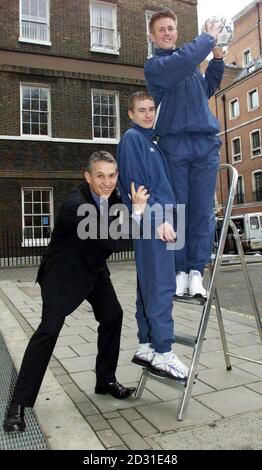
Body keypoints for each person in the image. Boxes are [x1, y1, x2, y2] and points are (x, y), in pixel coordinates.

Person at [3, 150, 149, 433]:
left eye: (112, 175)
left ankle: (104, 380)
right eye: (100, 176)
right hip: (64, 275)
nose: (107, 182)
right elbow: (114, 242)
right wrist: (138, 213)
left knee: (112, 316)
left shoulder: (115, 196)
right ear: (87, 176)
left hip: (94, 271)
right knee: (48, 332)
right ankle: (18, 405)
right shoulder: (75, 205)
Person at [144, 9, 225, 298]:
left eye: (171, 29)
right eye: (162, 29)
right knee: (176, 211)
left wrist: (216, 58)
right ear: (153, 36)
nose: (167, 33)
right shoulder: (156, 66)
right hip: (174, 144)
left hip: (204, 144)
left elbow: (206, 89)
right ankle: (178, 271)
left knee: (202, 212)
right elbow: (185, 60)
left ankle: (195, 273)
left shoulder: (189, 65)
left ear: (177, 32)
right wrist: (207, 37)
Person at [117, 91, 189, 382]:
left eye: (151, 109)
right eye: (141, 110)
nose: (148, 114)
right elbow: (136, 188)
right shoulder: (134, 140)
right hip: (153, 224)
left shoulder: (150, 142)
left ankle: (146, 346)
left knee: (148, 287)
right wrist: (158, 221)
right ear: (131, 115)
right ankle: (164, 353)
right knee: (160, 287)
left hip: (154, 223)